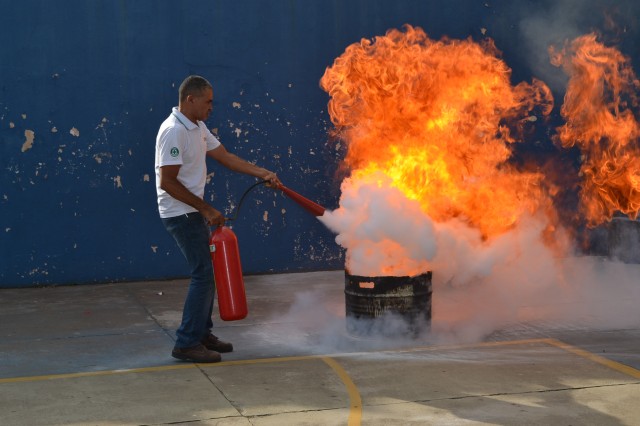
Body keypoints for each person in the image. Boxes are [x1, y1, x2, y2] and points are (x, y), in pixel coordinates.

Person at [155, 75, 281, 363]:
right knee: (203, 275)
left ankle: (201, 333)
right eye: (208, 101)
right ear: (191, 99)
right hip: (179, 213)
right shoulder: (173, 131)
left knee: (207, 275)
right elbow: (168, 182)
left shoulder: (197, 127)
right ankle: (187, 342)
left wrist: (262, 173)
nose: (212, 106)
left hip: (191, 211)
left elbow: (225, 156)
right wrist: (206, 209)